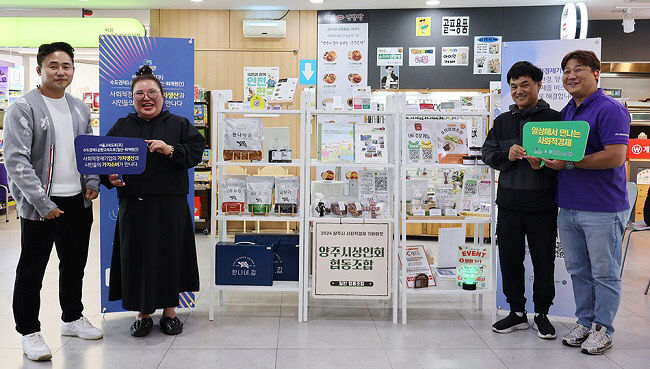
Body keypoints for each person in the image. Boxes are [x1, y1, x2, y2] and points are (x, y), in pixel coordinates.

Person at [3, 42, 103, 362]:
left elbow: (87, 150)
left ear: (73, 70)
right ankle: (29, 331)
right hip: (40, 205)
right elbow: (16, 160)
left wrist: (91, 182)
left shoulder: (79, 108)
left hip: (77, 202)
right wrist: (43, 203)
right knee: (32, 269)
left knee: (74, 265)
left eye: (66, 66)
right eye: (53, 66)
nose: (60, 71)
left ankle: (72, 318)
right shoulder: (23, 107)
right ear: (39, 70)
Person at [101, 65, 204, 337]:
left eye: (152, 92)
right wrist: (108, 176)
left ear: (162, 95)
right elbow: (103, 160)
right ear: (132, 98)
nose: (146, 98)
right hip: (134, 205)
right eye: (140, 94)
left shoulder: (179, 124)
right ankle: (142, 314)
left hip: (170, 204)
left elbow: (195, 153)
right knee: (137, 258)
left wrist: (169, 149)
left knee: (171, 256)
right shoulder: (122, 126)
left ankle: (170, 313)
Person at [544, 50, 630, 355]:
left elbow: (615, 156)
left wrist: (567, 163)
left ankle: (603, 328)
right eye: (566, 71)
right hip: (567, 205)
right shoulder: (568, 110)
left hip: (603, 207)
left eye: (578, 69)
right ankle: (585, 321)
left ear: (596, 73)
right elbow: (564, 153)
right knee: (578, 269)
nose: (570, 76)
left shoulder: (610, 110)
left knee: (604, 272)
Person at [482, 61, 561, 340]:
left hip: (543, 203)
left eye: (524, 84)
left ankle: (542, 314)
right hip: (509, 203)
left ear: (539, 85)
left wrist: (548, 163)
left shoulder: (556, 119)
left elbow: (566, 159)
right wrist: (509, 157)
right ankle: (516, 311)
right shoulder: (503, 122)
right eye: (513, 86)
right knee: (509, 258)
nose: (518, 91)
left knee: (543, 260)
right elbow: (488, 154)